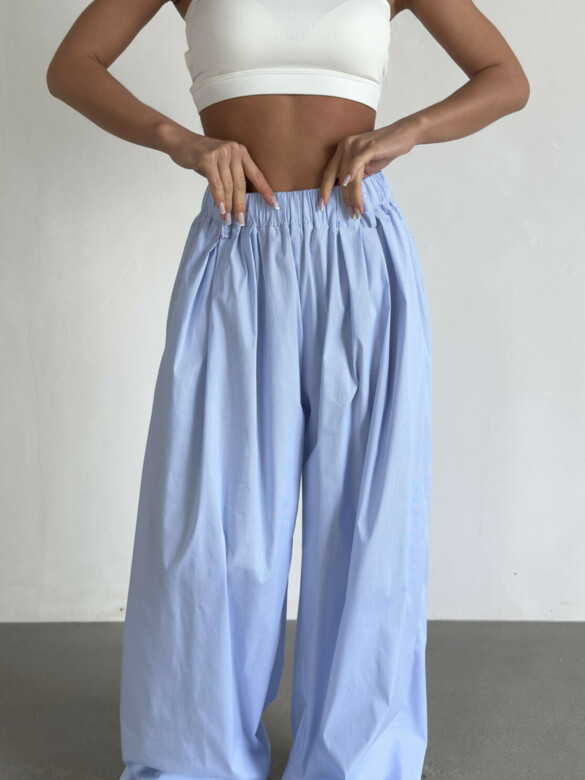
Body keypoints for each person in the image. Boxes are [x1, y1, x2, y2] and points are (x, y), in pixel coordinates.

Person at [46, 1, 529, 778]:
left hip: (358, 246)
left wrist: (406, 131)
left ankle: (358, 761)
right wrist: (181, 140)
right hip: (238, 247)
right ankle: (193, 759)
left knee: (369, 521)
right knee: (210, 524)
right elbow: (72, 66)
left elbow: (504, 78)